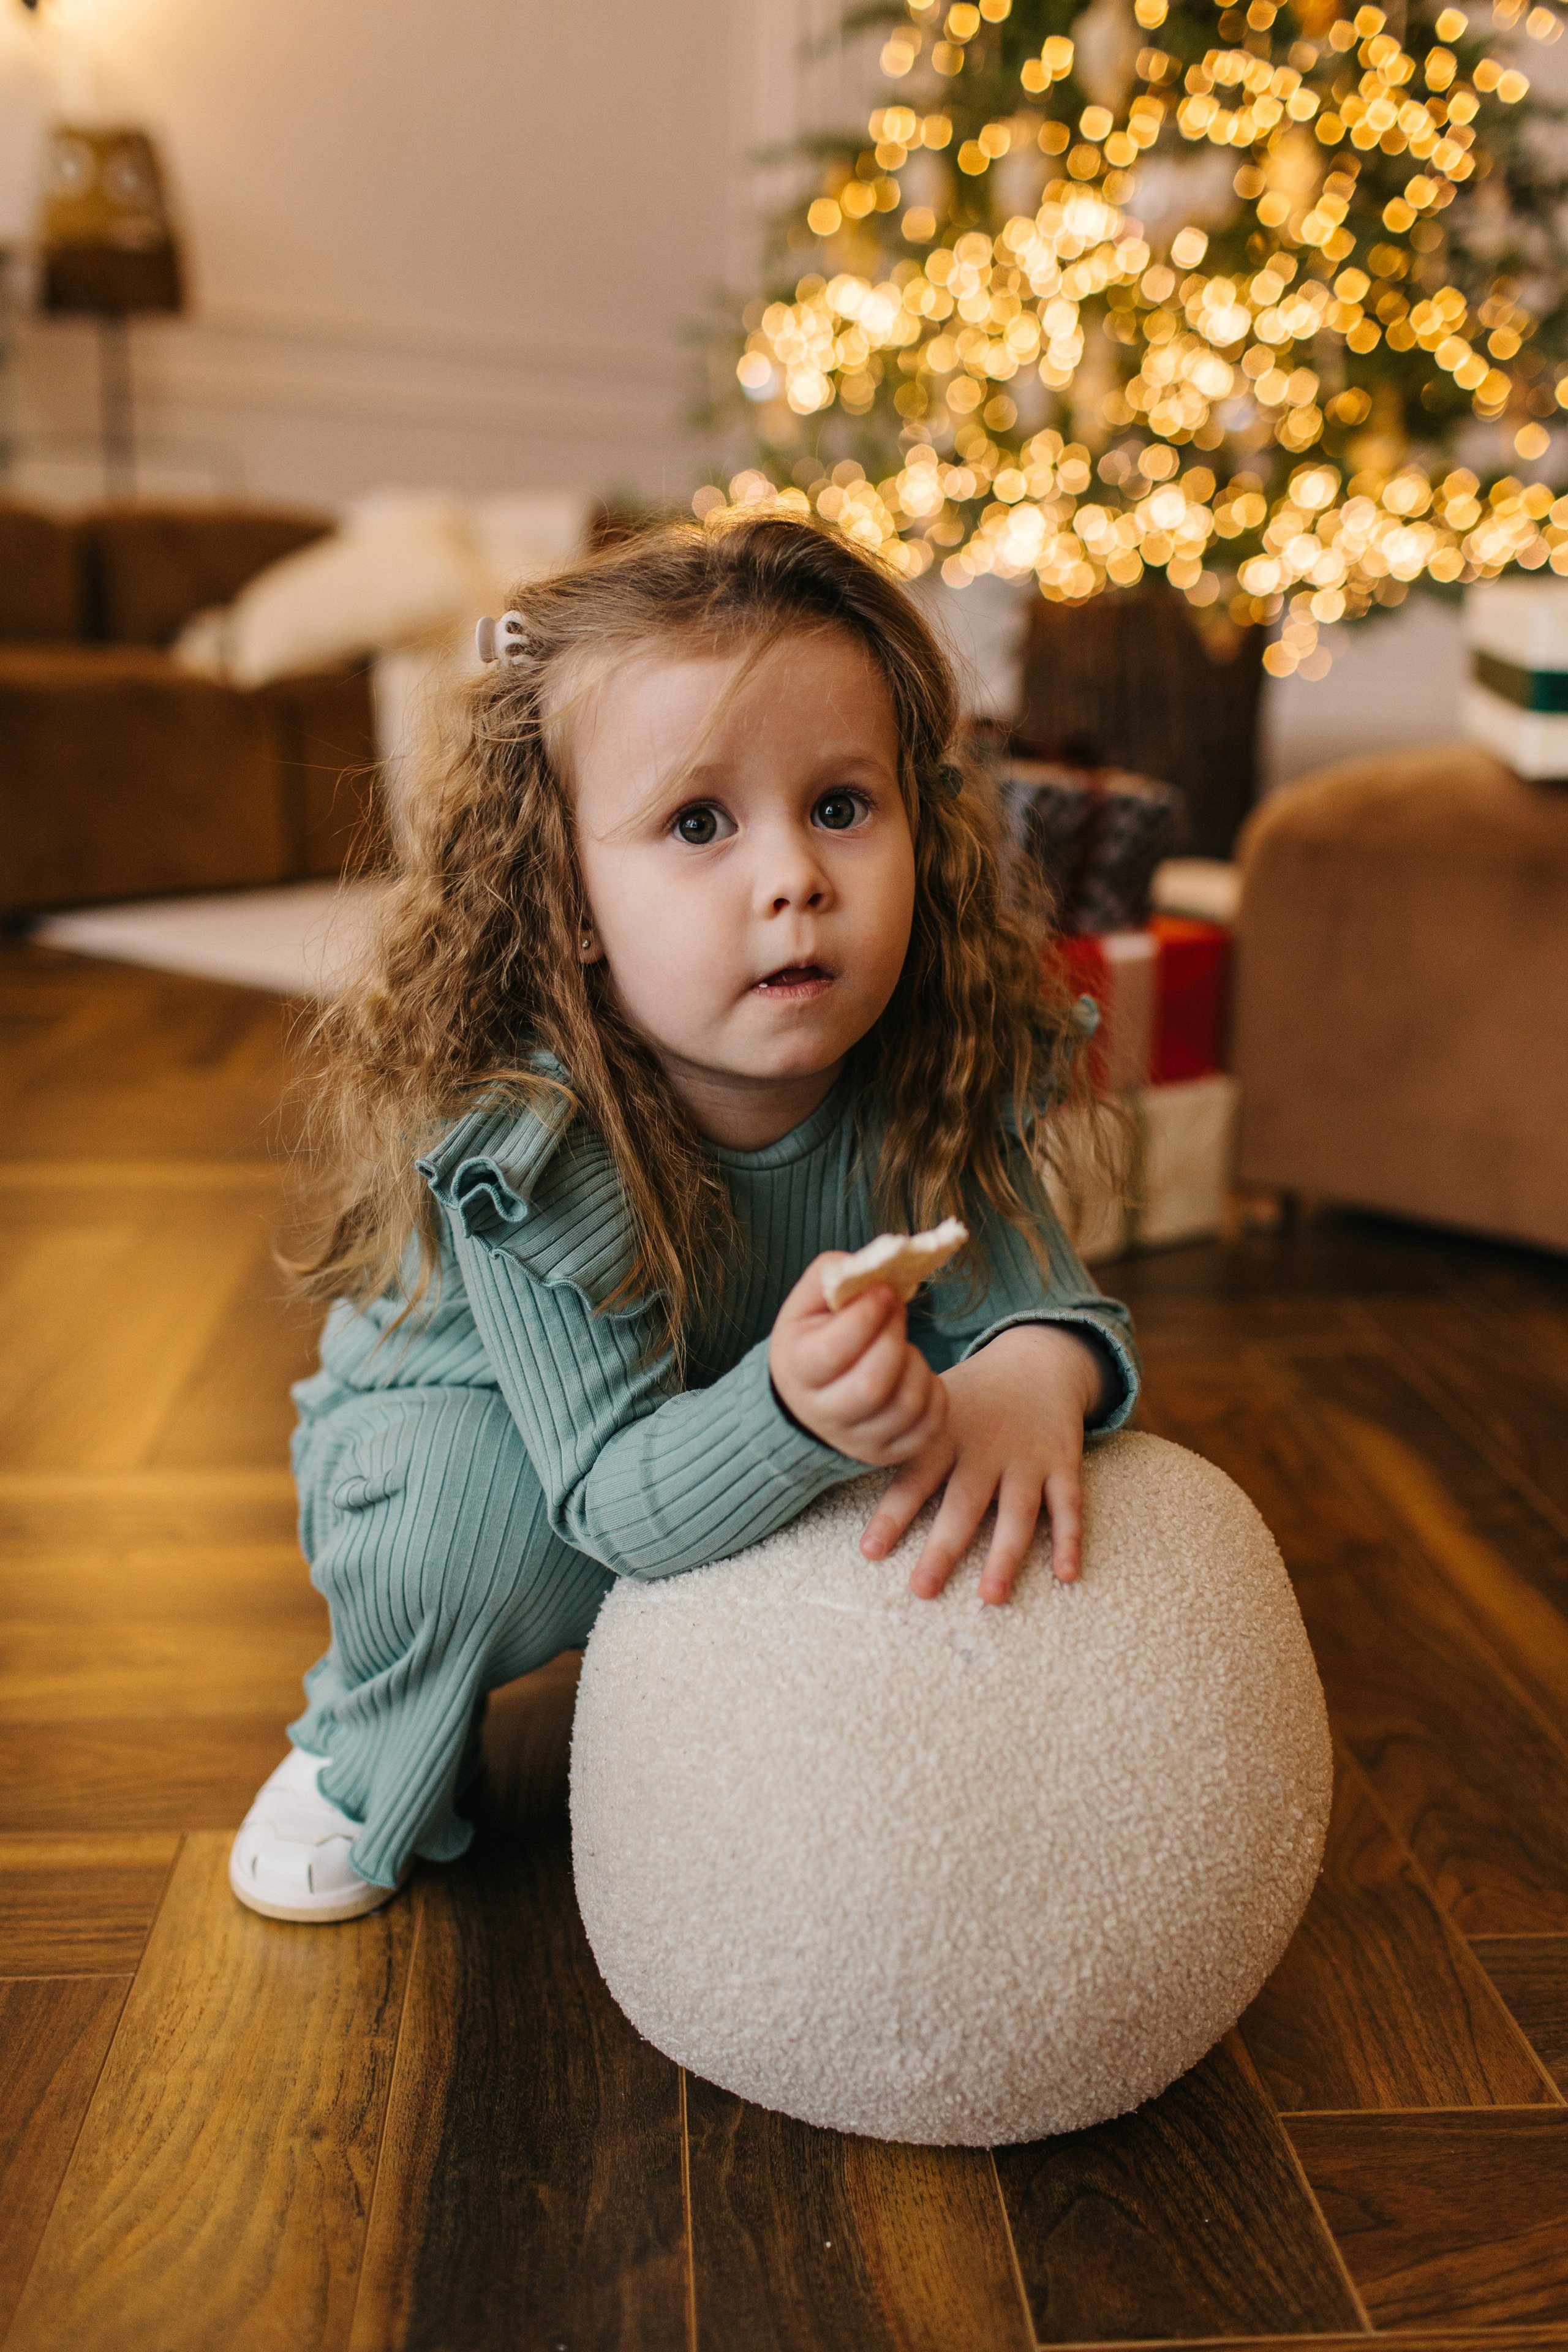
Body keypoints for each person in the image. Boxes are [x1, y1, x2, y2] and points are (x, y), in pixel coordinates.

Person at [229, 513, 1140, 1924]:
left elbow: (1045, 1297)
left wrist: (1032, 1369)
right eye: (698, 824)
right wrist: (786, 1406)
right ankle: (363, 1737)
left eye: (841, 805)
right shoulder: (535, 1145)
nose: (793, 878)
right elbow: (607, 1506)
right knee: (481, 1545)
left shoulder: (929, 1069)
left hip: (736, 1407)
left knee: (1023, 1455)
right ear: (572, 903)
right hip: (498, 1450)